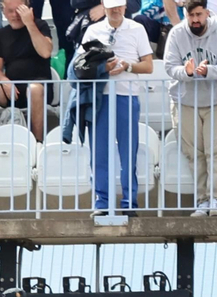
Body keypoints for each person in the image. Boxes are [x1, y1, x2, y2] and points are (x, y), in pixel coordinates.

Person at [83, 0, 152, 216]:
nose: (116, 9)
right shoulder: (92, 30)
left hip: (127, 96)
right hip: (100, 97)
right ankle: (102, 203)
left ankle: (129, 202)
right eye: (112, 4)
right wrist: (103, 67)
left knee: (128, 151)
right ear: (103, 4)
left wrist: (127, 65)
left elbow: (148, 65)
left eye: (119, 5)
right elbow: (81, 65)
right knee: (99, 152)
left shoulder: (137, 28)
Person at [0, 0, 51, 142]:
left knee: (34, 89)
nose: (15, 15)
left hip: (39, 87)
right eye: (11, 11)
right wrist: (4, 81)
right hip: (12, 89)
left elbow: (45, 52)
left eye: (19, 11)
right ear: (4, 11)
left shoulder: (40, 26)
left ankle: (37, 141)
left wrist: (30, 23)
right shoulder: (1, 34)